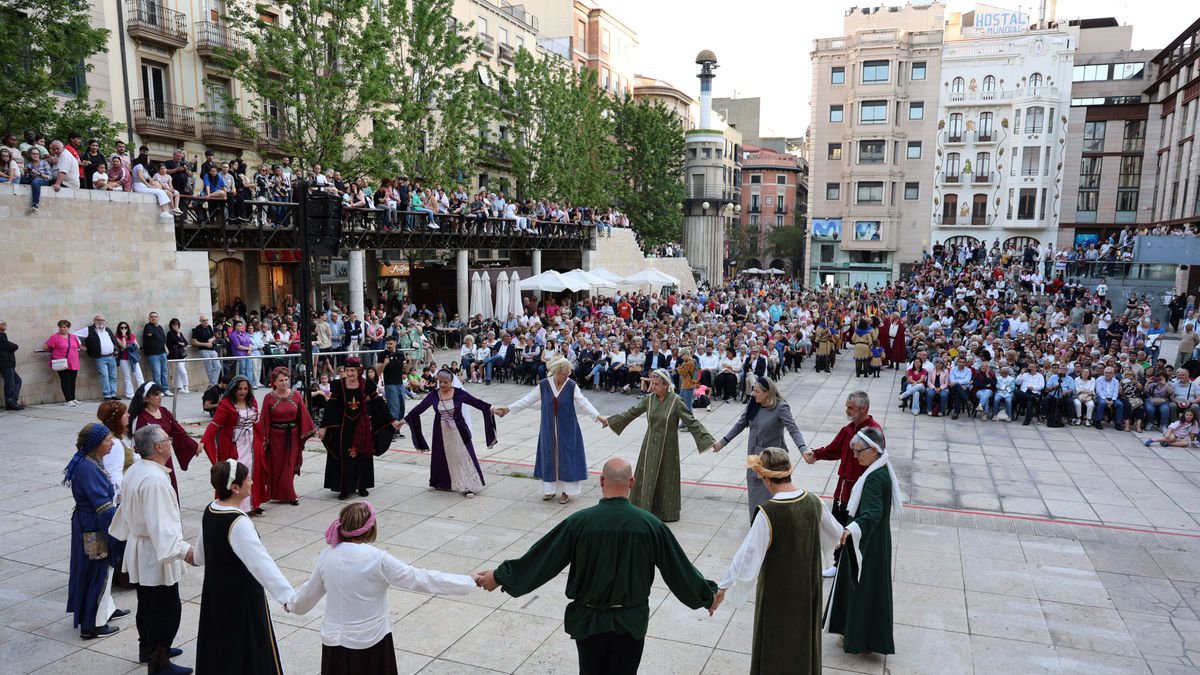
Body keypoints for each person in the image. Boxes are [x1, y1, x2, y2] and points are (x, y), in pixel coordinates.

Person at [473, 458, 722, 675]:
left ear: (601, 481)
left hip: (588, 621)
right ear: (632, 483)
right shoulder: (651, 525)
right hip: (630, 622)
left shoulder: (579, 522)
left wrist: (501, 577)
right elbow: (677, 569)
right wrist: (706, 595)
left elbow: (543, 559)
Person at [288, 502, 477, 674]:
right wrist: (468, 581)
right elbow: (419, 578)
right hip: (370, 640)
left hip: (334, 641)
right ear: (371, 529)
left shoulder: (327, 556)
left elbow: (309, 593)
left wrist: (292, 605)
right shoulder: (377, 559)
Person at [714, 448, 842, 675]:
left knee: (777, 647)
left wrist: (723, 588)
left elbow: (747, 556)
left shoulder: (769, 512)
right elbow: (837, 535)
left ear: (766, 478)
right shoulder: (814, 502)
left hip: (778, 596)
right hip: (808, 592)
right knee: (803, 643)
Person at [193, 460, 296, 675]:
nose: (252, 482)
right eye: (247, 478)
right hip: (242, 599)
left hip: (216, 594)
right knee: (248, 649)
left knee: (221, 647)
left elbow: (200, 556)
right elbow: (261, 563)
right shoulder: (238, 522)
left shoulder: (210, 509)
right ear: (235, 487)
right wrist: (287, 596)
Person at [109, 425, 197, 675]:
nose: (170, 442)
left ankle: (147, 649)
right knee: (166, 608)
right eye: (168, 439)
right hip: (155, 551)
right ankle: (159, 663)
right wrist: (185, 552)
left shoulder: (137, 470)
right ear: (159, 447)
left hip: (143, 547)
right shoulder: (155, 480)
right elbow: (162, 524)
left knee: (147, 604)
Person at [600, 368, 716, 523]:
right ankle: (645, 509)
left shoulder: (675, 400)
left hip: (668, 446)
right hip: (649, 444)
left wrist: (709, 440)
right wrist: (611, 421)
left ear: (666, 385)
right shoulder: (649, 399)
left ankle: (665, 512)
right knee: (648, 475)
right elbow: (632, 412)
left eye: (656, 384)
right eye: (652, 384)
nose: (652, 387)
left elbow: (691, 421)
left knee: (666, 477)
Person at [825, 426, 901, 656]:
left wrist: (852, 529)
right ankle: (861, 634)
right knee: (868, 589)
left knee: (862, 588)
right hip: (872, 539)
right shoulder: (880, 469)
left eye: (858, 452)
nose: (855, 457)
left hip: (867, 543)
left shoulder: (875, 477)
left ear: (874, 449)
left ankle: (858, 637)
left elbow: (873, 512)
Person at [493, 357, 603, 504]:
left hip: (568, 428)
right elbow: (527, 400)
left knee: (567, 457)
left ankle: (567, 491)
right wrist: (508, 409)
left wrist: (597, 416)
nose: (567, 376)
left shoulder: (571, 385)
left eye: (568, 373)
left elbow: (584, 402)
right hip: (548, 428)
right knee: (549, 456)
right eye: (564, 373)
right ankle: (549, 490)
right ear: (556, 372)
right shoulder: (544, 385)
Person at [64, 423, 130, 639]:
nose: (111, 443)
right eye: (107, 440)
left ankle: (106, 609)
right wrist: (121, 527)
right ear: (95, 444)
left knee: (105, 569)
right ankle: (92, 624)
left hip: (92, 522)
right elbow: (102, 506)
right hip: (92, 528)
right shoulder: (87, 468)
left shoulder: (92, 462)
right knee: (97, 570)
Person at [805, 391, 881, 577]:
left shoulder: (873, 432)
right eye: (847, 407)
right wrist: (815, 454)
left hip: (861, 490)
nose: (847, 411)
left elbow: (879, 464)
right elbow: (834, 450)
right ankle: (838, 564)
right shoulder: (848, 430)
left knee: (856, 528)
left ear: (863, 409)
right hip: (843, 489)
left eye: (850, 408)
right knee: (839, 526)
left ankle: (857, 565)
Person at [711, 376, 809, 522]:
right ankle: (757, 523)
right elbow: (740, 424)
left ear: (767, 393)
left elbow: (793, 429)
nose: (753, 394)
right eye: (753, 391)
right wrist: (722, 442)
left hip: (773, 460)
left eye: (757, 391)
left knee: (772, 493)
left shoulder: (780, 407)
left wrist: (803, 449)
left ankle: (773, 524)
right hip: (754, 457)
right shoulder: (754, 404)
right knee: (755, 491)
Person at [402, 368, 496, 498]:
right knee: (440, 456)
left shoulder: (459, 394)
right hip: (440, 431)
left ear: (451, 381)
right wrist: (403, 420)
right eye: (440, 382)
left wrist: (492, 408)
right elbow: (419, 408)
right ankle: (439, 482)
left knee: (463, 456)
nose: (442, 385)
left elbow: (476, 402)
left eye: (445, 382)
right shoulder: (434, 395)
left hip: (459, 430)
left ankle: (469, 485)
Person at [319, 357, 401, 500]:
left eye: (353, 370)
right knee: (345, 455)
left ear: (359, 371)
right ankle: (345, 488)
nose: (350, 373)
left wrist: (391, 420)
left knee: (363, 454)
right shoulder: (339, 385)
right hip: (343, 426)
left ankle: (362, 485)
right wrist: (324, 427)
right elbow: (331, 407)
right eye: (347, 370)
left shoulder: (367, 385)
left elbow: (378, 403)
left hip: (362, 425)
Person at [254, 367, 315, 507]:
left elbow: (303, 415)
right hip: (276, 437)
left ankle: (290, 494)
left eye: (286, 380)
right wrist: (262, 437)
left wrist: (309, 431)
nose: (284, 383)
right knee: (277, 466)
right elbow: (264, 419)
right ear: (274, 382)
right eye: (281, 380)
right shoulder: (269, 398)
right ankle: (278, 493)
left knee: (290, 465)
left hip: (293, 436)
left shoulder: (296, 396)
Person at [200, 376, 262, 513]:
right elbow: (215, 424)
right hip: (233, 445)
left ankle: (252, 504)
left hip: (251, 444)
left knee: (252, 473)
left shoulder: (252, 402)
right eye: (239, 388)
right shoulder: (226, 404)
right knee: (234, 474)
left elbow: (256, 423)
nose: (243, 391)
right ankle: (233, 505)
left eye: (246, 388)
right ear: (233, 389)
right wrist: (204, 441)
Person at [129, 382, 198, 498]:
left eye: (161, 393)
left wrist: (193, 446)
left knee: (170, 488)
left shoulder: (165, 412)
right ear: (146, 398)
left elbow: (179, 432)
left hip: (166, 457)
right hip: (150, 460)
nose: (161, 396)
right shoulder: (140, 417)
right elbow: (138, 443)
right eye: (156, 394)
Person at [74, 314, 119, 401]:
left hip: (112, 356)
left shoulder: (107, 330)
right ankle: (107, 395)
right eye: (98, 320)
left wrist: (115, 349)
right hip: (100, 358)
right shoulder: (89, 329)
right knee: (104, 375)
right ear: (94, 321)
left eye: (102, 320)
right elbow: (73, 335)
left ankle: (113, 393)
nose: (100, 321)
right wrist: (80, 346)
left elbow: (113, 340)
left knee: (113, 376)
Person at [45, 319, 83, 406]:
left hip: (73, 362)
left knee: (72, 381)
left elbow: (79, 346)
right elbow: (45, 347)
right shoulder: (54, 337)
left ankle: (73, 398)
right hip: (61, 362)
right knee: (66, 380)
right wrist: (53, 351)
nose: (62, 329)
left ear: (68, 328)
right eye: (60, 327)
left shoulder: (73, 337)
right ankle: (68, 400)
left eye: (64, 327)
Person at [114, 321, 146, 400]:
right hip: (124, 359)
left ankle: (143, 393)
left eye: (125, 327)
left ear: (128, 328)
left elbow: (137, 346)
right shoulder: (117, 337)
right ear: (119, 329)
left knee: (139, 376)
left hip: (133, 359)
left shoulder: (132, 336)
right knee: (127, 377)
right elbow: (123, 346)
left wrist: (129, 346)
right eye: (122, 328)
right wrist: (124, 337)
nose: (124, 329)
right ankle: (130, 394)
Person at [142, 312, 170, 393]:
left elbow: (163, 339)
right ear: (149, 318)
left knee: (164, 372)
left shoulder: (160, 327)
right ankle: (159, 391)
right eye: (151, 317)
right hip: (153, 354)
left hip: (162, 353)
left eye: (155, 316)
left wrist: (166, 348)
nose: (153, 318)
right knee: (157, 374)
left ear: (158, 318)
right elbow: (150, 335)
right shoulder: (148, 326)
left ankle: (165, 389)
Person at [1, 319, 24, 410]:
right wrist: (14, 346)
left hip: (8, 363)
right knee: (13, 382)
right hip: (5, 363)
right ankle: (12, 400)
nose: (5, 324)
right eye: (2, 323)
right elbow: (12, 346)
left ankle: (10, 403)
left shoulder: (3, 336)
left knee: (14, 381)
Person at [165, 319, 189, 394]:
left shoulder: (179, 333)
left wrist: (180, 342)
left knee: (179, 372)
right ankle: (186, 385)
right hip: (175, 356)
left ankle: (180, 387)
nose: (175, 326)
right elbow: (175, 341)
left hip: (182, 355)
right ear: (171, 326)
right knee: (183, 372)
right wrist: (179, 339)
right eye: (173, 325)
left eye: (176, 324)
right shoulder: (170, 333)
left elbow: (186, 342)